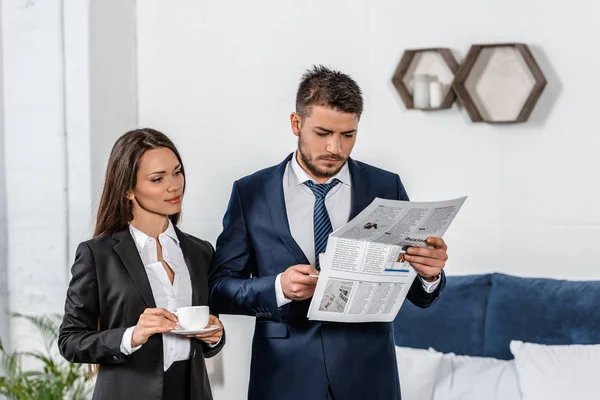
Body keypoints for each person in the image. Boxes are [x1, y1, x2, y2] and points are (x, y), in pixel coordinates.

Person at [208, 65, 448, 400]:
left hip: (369, 374)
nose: (335, 148)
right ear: (296, 124)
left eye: (347, 135)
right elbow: (220, 289)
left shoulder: (385, 186)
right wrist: (278, 287)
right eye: (323, 133)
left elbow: (416, 293)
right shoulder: (251, 193)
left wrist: (430, 274)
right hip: (282, 377)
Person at [59, 128, 225, 400]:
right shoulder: (97, 255)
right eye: (158, 179)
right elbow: (70, 340)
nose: (174, 185)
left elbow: (207, 335)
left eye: (177, 172)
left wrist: (215, 335)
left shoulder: (200, 252)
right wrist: (132, 336)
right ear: (127, 190)